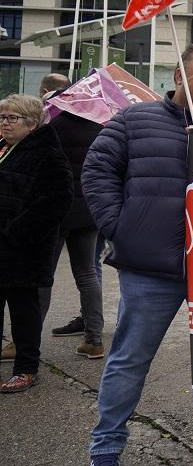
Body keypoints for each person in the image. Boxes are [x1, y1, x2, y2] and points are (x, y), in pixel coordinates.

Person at [82, 44, 193, 466]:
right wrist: (121, 228)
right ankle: (106, 445)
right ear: (179, 76)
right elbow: (97, 171)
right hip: (150, 269)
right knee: (130, 358)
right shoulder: (134, 120)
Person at [0, 94, 73, 392]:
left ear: (32, 124)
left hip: (22, 251)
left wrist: (14, 234)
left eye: (12, 118)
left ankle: (26, 368)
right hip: (5, 247)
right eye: (2, 117)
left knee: (23, 311)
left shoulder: (48, 154)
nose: (5, 123)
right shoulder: (6, 146)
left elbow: (57, 201)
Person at [41, 81, 106, 359]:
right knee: (88, 274)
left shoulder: (51, 124)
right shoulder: (99, 126)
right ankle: (94, 339)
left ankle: (24, 340)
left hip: (56, 210)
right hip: (88, 212)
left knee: (43, 276)